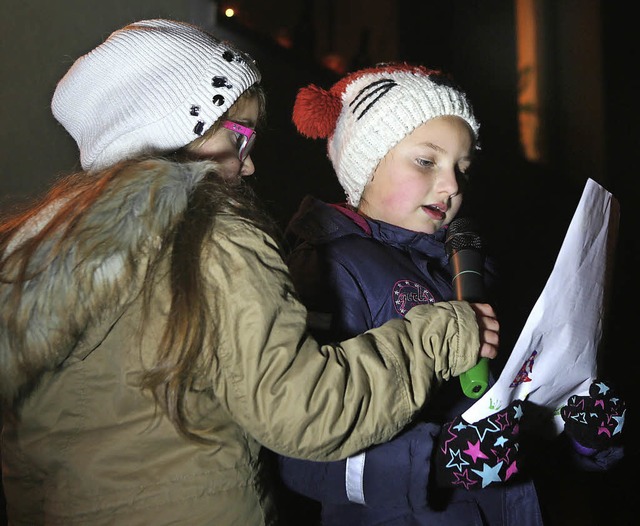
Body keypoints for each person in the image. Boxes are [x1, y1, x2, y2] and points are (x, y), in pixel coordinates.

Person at [0, 20, 501, 526]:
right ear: (177, 130)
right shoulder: (216, 235)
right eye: (239, 137)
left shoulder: (42, 252)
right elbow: (301, 410)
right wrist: (442, 333)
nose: (251, 165)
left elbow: (22, 459)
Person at [276, 63, 626, 525]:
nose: (452, 185)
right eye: (426, 161)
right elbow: (299, 454)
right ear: (367, 161)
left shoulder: (469, 271)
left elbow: (504, 424)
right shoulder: (328, 268)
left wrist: (575, 429)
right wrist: (439, 464)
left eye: (463, 167)